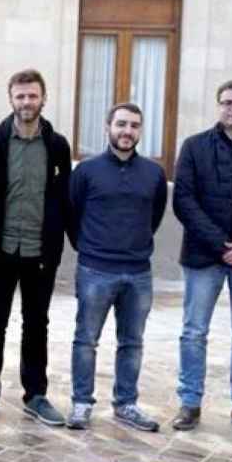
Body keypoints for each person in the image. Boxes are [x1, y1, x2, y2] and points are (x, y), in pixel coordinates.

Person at [0, 69, 71, 426]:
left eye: (33, 96)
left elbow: (63, 198)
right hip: (0, 249)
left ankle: (36, 394)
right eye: (20, 96)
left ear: (44, 99)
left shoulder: (57, 145)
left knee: (36, 323)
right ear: (11, 99)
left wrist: (60, 241)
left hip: (40, 251)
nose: (26, 102)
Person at [66, 103, 167, 432]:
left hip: (138, 272)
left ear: (140, 131)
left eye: (134, 126)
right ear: (107, 126)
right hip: (96, 269)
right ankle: (81, 403)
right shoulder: (86, 171)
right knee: (86, 340)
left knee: (132, 342)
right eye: (121, 124)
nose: (127, 131)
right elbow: (72, 214)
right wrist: (91, 248)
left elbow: (154, 218)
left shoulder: (153, 174)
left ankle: (126, 404)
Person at [172, 80, 232, 438]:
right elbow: (184, 201)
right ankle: (189, 402)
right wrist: (224, 248)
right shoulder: (194, 147)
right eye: (227, 102)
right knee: (194, 332)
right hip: (203, 258)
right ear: (218, 106)